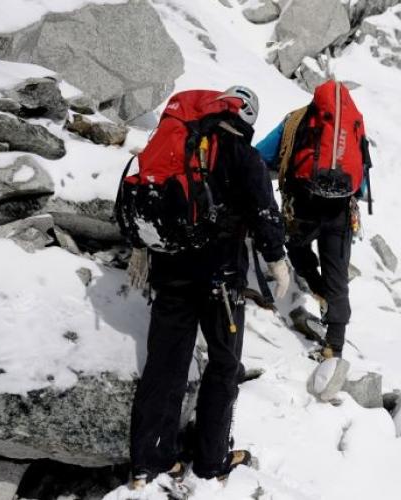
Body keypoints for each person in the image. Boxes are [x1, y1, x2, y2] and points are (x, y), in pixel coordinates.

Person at [122, 86, 290, 487]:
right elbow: (265, 212)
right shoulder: (241, 155)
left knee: (165, 366)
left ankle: (150, 461)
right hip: (221, 281)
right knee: (224, 365)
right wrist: (277, 260)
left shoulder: (176, 140)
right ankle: (212, 459)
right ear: (247, 119)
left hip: (170, 272)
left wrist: (140, 247)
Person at [256, 80, 372, 361]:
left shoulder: (296, 120)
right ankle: (334, 347)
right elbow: (362, 185)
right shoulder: (355, 124)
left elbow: (261, 155)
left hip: (302, 208)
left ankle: (315, 286)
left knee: (295, 248)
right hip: (340, 213)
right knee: (338, 277)